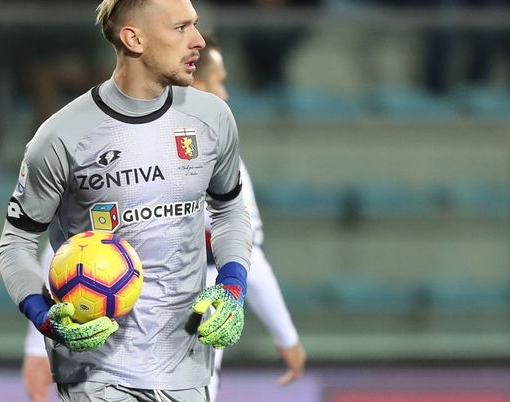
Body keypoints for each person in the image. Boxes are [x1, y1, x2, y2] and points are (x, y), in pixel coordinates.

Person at [20, 33, 306, 402]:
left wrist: (36, 346)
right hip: (175, 328)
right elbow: (251, 260)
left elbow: (70, 250)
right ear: (196, 86)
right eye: (219, 82)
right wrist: (287, 338)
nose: (225, 95)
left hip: (118, 333)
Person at [0, 1, 252, 401]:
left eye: (195, 25)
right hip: (97, 374)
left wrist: (232, 286)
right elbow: (15, 244)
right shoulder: (61, 136)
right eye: (180, 28)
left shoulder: (212, 118)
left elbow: (230, 208)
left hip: (186, 369)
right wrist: (44, 317)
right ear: (134, 39)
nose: (198, 41)